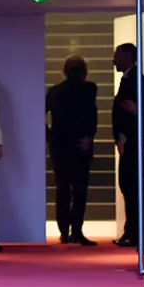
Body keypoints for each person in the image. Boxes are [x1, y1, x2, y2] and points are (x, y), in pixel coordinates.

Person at [46, 55, 97, 246]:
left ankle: (64, 231)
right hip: (80, 142)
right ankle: (77, 231)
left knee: (62, 188)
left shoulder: (54, 92)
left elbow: (40, 112)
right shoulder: (89, 89)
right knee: (80, 189)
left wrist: (49, 134)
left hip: (59, 143)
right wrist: (89, 137)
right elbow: (92, 114)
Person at [112, 43, 141, 247]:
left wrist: (125, 135)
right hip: (128, 140)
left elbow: (130, 113)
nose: (114, 60)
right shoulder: (128, 79)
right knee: (128, 186)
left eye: (117, 56)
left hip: (132, 141)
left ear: (129, 56)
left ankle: (134, 232)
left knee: (131, 186)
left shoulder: (135, 80)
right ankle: (131, 231)